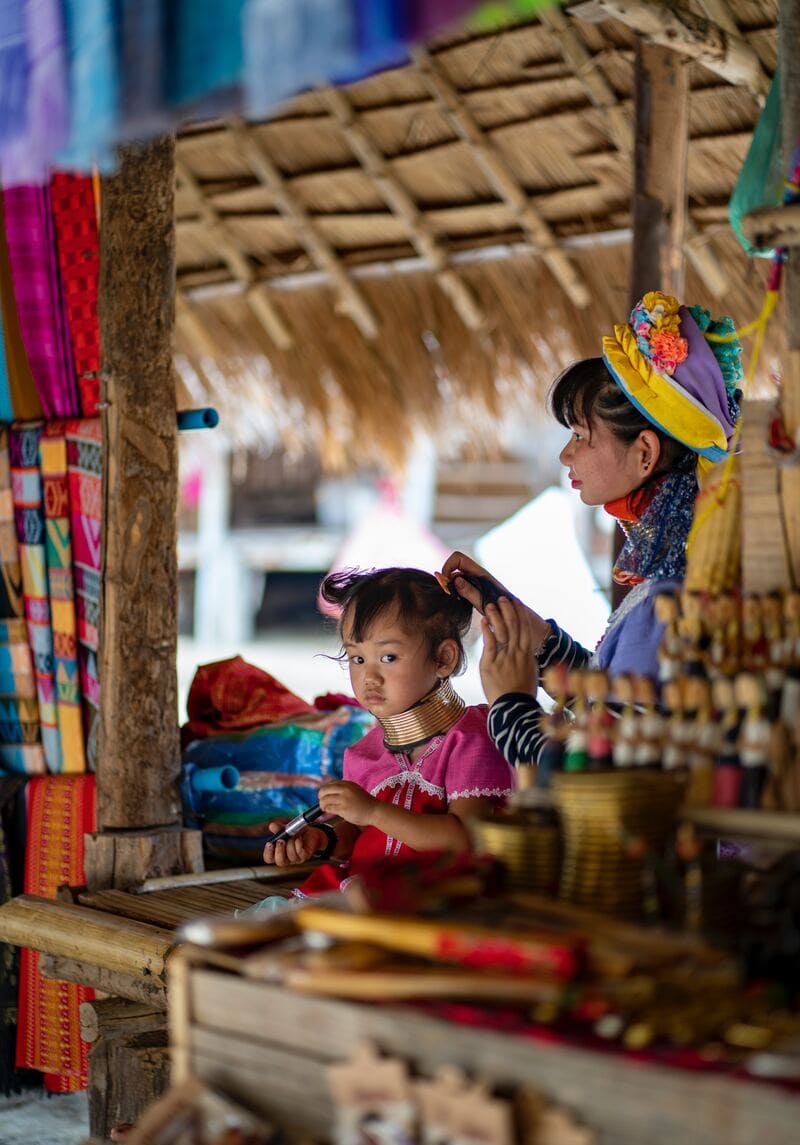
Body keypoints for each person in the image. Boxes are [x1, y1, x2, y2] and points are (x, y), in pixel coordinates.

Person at [440, 291, 743, 766]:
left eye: (580, 436)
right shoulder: (684, 573)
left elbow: (603, 775)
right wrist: (519, 622)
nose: (566, 454)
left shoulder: (669, 600)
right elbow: (616, 702)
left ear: (644, 453)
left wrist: (509, 704)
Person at [262, 566, 514, 893]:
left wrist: (374, 810)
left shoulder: (471, 742)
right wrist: (320, 840)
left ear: (443, 658)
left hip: (439, 897)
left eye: (389, 657)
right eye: (356, 658)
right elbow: (359, 834)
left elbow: (465, 840)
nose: (370, 677)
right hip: (366, 890)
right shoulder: (365, 751)